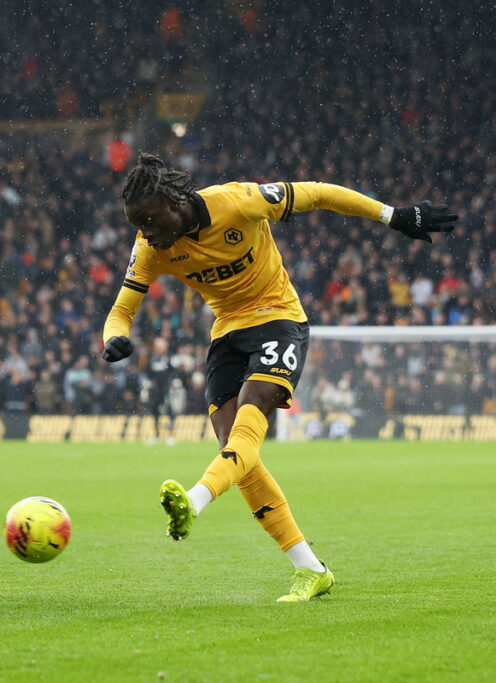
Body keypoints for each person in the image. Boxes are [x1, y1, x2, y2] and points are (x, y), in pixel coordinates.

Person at [101, 154, 457, 602]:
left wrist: (394, 216)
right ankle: (311, 570)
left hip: (278, 319)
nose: (146, 232)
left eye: (150, 220)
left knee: (250, 421)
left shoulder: (238, 202)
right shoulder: (151, 246)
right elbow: (121, 310)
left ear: (174, 201)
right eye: (139, 224)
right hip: (227, 334)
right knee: (237, 451)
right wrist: (114, 338)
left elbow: (321, 192)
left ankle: (193, 500)